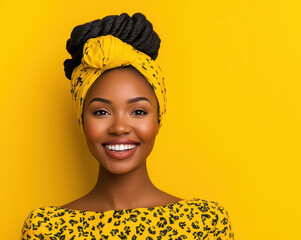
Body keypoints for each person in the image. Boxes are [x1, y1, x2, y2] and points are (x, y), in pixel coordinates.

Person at [20, 12, 234, 240]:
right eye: (101, 112)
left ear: (158, 119)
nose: (119, 127)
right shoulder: (46, 230)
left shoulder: (203, 224)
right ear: (82, 121)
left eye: (138, 111)